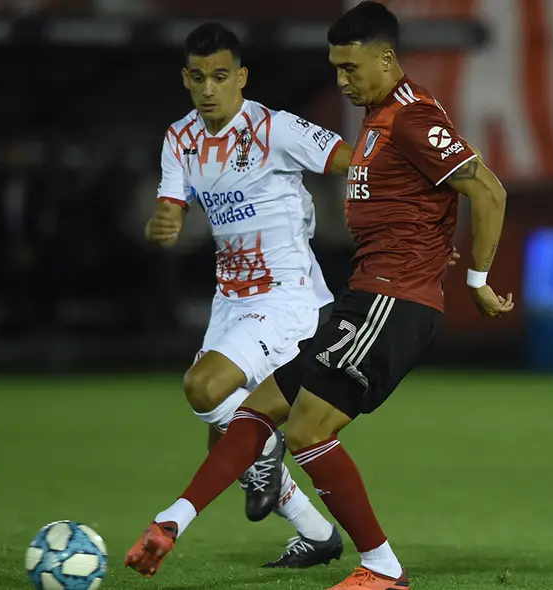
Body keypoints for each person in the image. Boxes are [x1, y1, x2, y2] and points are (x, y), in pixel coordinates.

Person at [125, 3, 513, 589]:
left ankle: (382, 568)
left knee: (306, 430)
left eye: (350, 68)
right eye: (335, 68)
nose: (340, 80)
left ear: (385, 59)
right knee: (257, 412)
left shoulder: (409, 116)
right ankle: (170, 523)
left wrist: (477, 281)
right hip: (362, 297)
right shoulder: (380, 122)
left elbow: (486, 190)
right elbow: (418, 195)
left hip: (389, 301)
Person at [144, 22, 354, 568]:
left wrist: (410, 219)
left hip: (290, 296)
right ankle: (318, 535)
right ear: (185, 80)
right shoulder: (180, 138)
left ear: (240, 76)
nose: (208, 88)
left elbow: (354, 162)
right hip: (231, 300)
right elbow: (171, 204)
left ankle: (265, 450)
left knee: (204, 387)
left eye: (219, 76)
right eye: (197, 78)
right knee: (227, 440)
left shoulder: (275, 129)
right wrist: (164, 220)